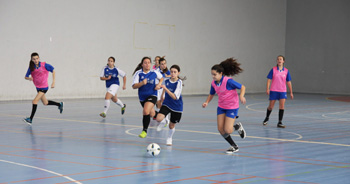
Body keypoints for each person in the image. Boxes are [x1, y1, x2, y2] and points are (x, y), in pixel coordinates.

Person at [202, 58, 246, 154]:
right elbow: (211, 94)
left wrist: (241, 96)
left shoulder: (228, 81)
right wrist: (207, 102)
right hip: (221, 107)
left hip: (232, 107)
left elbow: (242, 87)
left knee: (228, 130)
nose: (213, 76)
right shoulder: (213, 83)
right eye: (212, 74)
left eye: (215, 74)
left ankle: (237, 127)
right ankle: (234, 146)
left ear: (221, 73)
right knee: (221, 129)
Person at [23, 52, 63, 125]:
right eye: (34, 59)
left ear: (39, 58)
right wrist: (29, 78)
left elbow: (53, 70)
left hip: (44, 87)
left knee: (34, 101)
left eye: (37, 58)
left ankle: (30, 119)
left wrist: (53, 82)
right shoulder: (31, 67)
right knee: (45, 103)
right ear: (32, 60)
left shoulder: (44, 65)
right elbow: (25, 76)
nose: (35, 60)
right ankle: (59, 104)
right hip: (38, 88)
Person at [132, 57, 163, 138]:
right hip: (142, 97)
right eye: (145, 63)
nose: (147, 64)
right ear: (142, 64)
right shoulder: (138, 73)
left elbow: (161, 78)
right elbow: (134, 86)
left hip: (152, 94)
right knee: (151, 113)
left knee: (145, 111)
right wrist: (142, 83)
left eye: (149, 62)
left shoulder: (154, 72)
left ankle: (144, 131)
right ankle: (162, 116)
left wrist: (159, 84)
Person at [155, 65, 183, 146]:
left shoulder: (179, 82)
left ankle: (169, 138)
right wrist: (162, 95)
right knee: (158, 118)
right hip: (167, 103)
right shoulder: (167, 80)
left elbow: (175, 97)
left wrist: (166, 89)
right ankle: (164, 121)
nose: (173, 73)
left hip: (177, 106)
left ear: (178, 73)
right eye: (171, 72)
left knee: (171, 126)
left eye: (175, 72)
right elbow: (163, 86)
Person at [262, 55, 293, 128]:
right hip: (274, 90)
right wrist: (267, 89)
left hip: (282, 91)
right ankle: (267, 118)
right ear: (277, 61)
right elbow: (269, 80)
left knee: (282, 106)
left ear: (283, 61)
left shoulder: (286, 71)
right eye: (278, 59)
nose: (279, 60)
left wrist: (291, 92)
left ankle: (280, 122)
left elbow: (289, 82)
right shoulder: (273, 70)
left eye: (281, 59)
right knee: (270, 106)